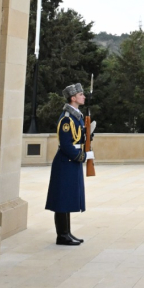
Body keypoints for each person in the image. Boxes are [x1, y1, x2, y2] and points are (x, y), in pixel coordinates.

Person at [45, 83, 91, 246]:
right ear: (73, 98)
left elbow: (77, 138)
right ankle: (62, 235)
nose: (84, 96)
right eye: (81, 94)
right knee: (62, 198)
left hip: (72, 162)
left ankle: (67, 232)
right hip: (66, 162)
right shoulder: (67, 118)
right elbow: (66, 144)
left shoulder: (75, 116)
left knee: (68, 197)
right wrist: (81, 156)